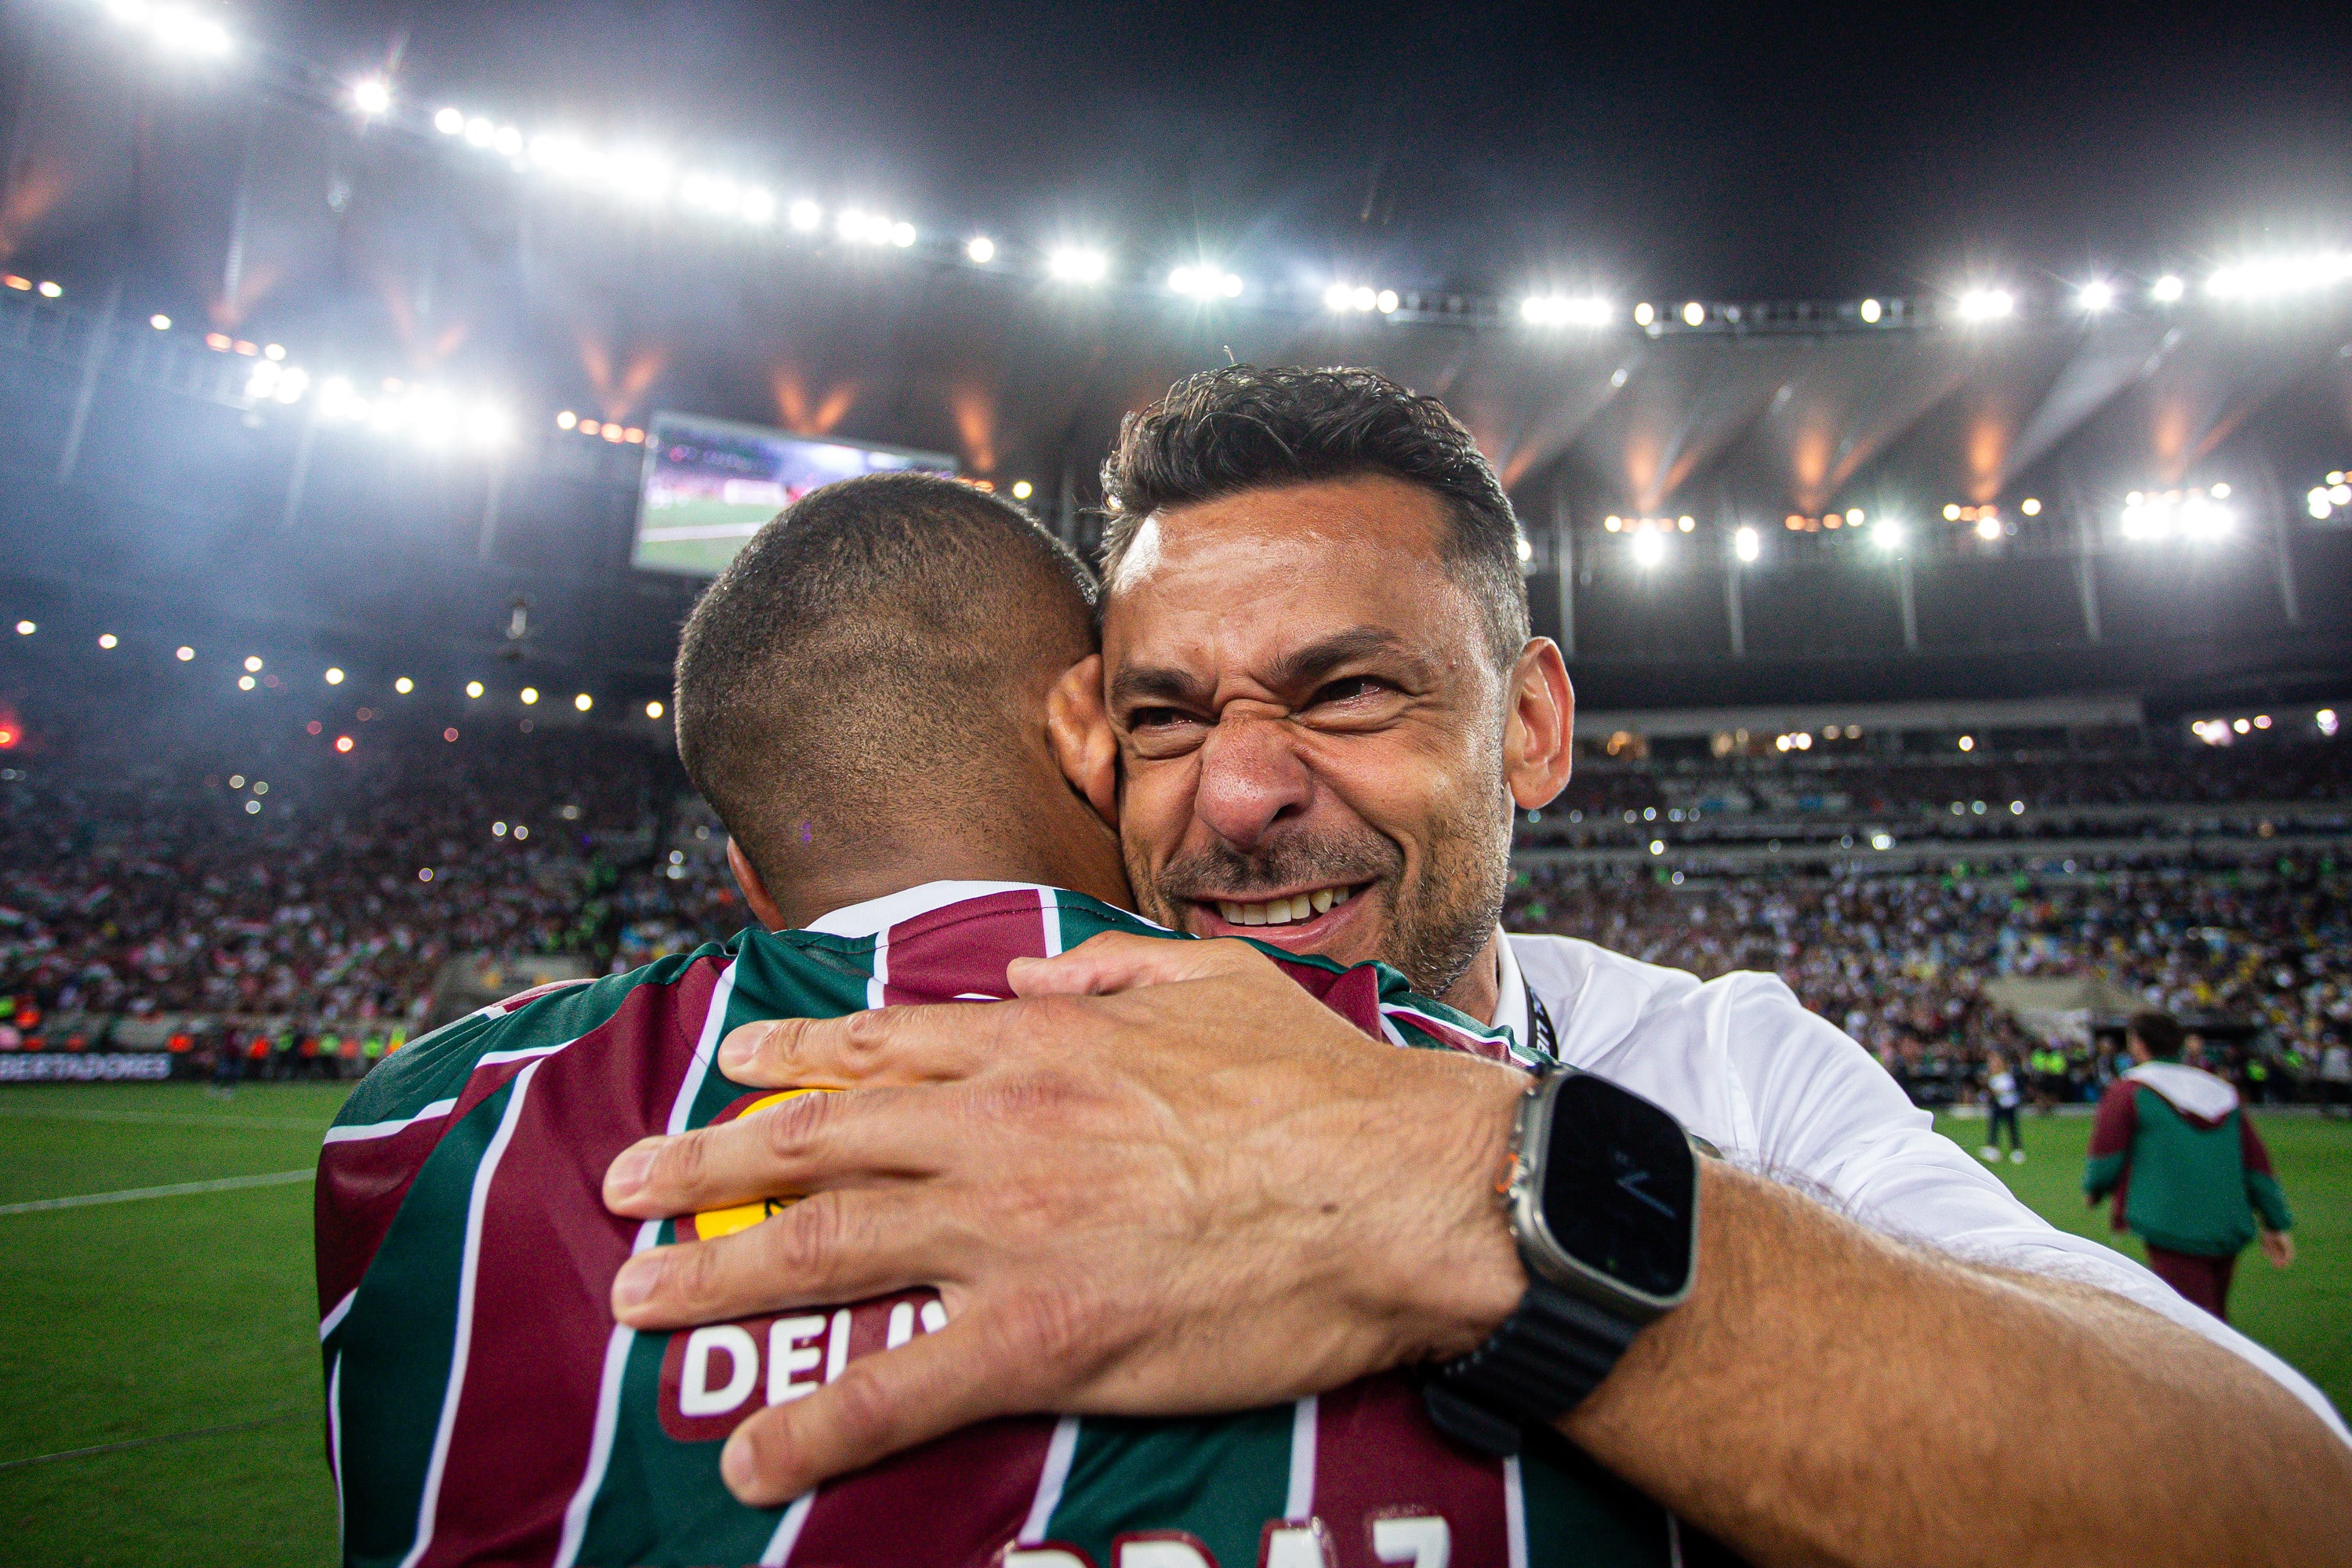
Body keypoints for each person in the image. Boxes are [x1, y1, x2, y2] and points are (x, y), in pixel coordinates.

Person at [608, 366, 2352, 1565]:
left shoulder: (1726, 1064)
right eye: (1164, 713)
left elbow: (2280, 1506)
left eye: (1346, 690)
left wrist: (1472, 1184)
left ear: (1527, 727)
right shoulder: (920, 1071)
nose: (1241, 791)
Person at [318, 474, 1686, 1568]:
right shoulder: (1484, 1101)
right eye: (1164, 718)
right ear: (1098, 743)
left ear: (742, 873)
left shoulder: (433, 1132)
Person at [2085, 1011, 2296, 1320]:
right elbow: (2256, 1164)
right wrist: (2276, 1222)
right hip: (2228, 1219)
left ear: (2138, 1044)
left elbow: (2106, 1155)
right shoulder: (2221, 1090)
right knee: (2213, 1316)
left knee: (2192, 1326)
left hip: (2170, 1219)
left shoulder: (2129, 1090)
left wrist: (2095, 1188)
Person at [1980, 1049, 2025, 1163]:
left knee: (2012, 1127)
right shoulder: (1994, 1077)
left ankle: (2016, 1150)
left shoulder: (2006, 1077)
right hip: (1999, 1104)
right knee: (1994, 1127)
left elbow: (2004, 1091)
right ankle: (1993, 1148)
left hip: (2009, 1105)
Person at [2320, 1035, 2352, 1119]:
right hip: (2329, 1077)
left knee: (2348, 1092)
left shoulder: (2345, 1051)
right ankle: (2326, 1110)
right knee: (2327, 1091)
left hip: (2343, 1077)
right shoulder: (2329, 1051)